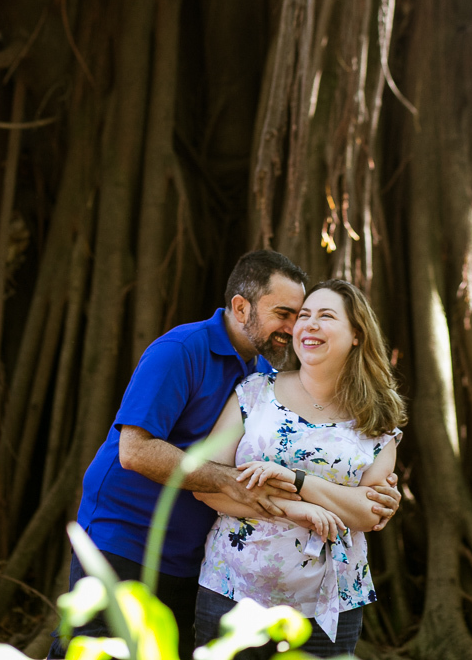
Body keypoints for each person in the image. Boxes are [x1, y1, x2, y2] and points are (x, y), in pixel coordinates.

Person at [50, 256, 400, 660]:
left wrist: (357, 494)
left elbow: (362, 499)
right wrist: (241, 484)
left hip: (189, 555)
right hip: (127, 539)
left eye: (298, 315)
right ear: (240, 308)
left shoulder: (258, 368)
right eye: (285, 314)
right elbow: (135, 450)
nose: (293, 327)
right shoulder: (183, 350)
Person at [193, 279, 407, 659]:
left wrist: (296, 480)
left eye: (325, 316)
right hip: (232, 590)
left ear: (356, 334)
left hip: (327, 608)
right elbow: (206, 485)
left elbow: (369, 512)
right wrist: (301, 506)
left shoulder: (376, 420)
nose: (308, 324)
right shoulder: (255, 392)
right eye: (304, 315)